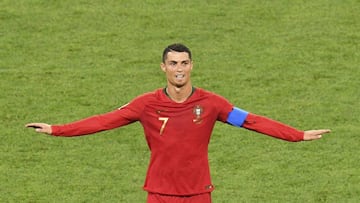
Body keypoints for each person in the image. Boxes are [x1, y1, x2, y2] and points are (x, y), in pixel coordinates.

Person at [26, 43, 330, 203]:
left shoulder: (212, 104)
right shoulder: (146, 104)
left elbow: (251, 121)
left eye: (184, 63)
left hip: (199, 193)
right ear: (163, 67)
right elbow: (105, 121)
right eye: (173, 63)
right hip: (159, 193)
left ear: (192, 65)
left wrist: (297, 135)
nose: (179, 68)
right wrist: (57, 129)